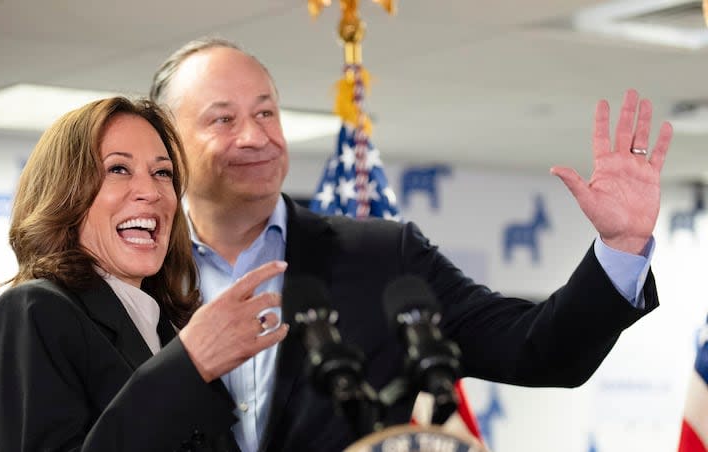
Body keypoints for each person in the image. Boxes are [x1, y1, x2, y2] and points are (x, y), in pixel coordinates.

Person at [148, 37, 673, 452]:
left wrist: (622, 245)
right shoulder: (133, 273)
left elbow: (537, 350)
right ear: (169, 140)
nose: (255, 135)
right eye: (224, 118)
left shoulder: (381, 258)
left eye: (265, 113)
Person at [0, 97, 288, 452]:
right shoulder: (33, 309)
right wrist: (188, 364)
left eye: (162, 173)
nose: (151, 192)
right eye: (118, 169)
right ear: (64, 193)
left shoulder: (162, 329)